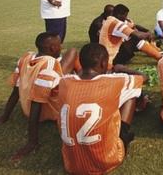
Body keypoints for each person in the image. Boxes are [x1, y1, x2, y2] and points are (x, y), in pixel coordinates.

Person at [0, 32, 79, 160]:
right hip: (48, 112)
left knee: (73, 56)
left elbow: (16, 91)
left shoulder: (25, 57)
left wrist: (4, 116)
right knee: (73, 52)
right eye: (59, 45)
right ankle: (88, 81)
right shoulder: (49, 66)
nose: (61, 47)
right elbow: (37, 103)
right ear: (52, 48)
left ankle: (84, 79)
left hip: (26, 108)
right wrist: (32, 142)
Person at [57, 43, 147, 175]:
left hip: (71, 163)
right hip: (105, 161)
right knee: (131, 93)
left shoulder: (65, 82)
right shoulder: (114, 81)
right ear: (103, 63)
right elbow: (144, 78)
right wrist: (122, 68)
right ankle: (123, 133)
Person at [100, 4, 163, 69]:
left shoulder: (111, 20)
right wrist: (148, 34)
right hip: (110, 59)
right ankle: (160, 57)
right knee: (135, 39)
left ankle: (158, 54)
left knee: (132, 38)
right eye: (125, 16)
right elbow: (138, 35)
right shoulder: (115, 23)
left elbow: (133, 26)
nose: (126, 18)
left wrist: (147, 31)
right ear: (119, 15)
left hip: (106, 55)